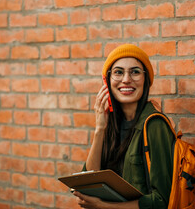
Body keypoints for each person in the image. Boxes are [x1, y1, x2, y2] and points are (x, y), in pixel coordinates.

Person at [73, 44, 174, 209]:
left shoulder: (154, 125)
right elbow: (89, 182)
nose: (126, 79)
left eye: (135, 72)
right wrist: (99, 130)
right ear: (107, 82)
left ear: (146, 80)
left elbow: (162, 201)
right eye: (118, 72)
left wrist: (104, 206)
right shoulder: (110, 125)